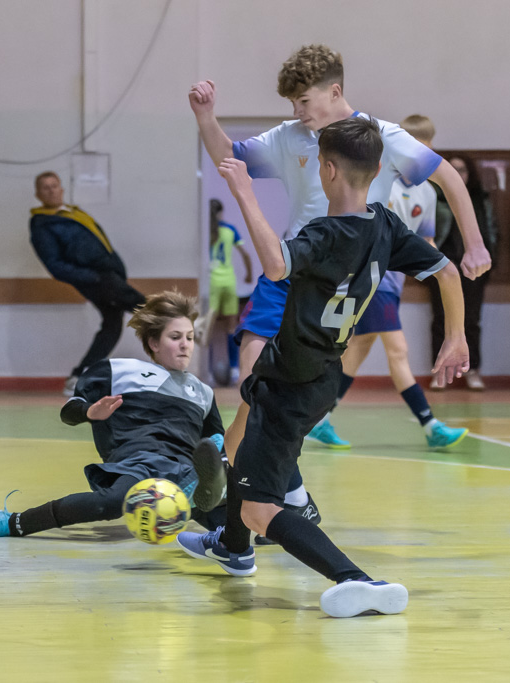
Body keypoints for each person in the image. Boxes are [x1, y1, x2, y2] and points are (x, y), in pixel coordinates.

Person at [176, 117, 470, 618]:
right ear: (376, 170)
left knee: (259, 508)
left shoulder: (326, 232)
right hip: (320, 373)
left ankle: (356, 579)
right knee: (242, 447)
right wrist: (455, 336)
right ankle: (233, 547)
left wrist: (244, 192)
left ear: (327, 170)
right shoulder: (385, 224)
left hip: (291, 379)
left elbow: (276, 265)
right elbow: (446, 271)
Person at [188, 44, 489, 464]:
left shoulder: (380, 136)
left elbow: (449, 178)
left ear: (334, 91)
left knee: (287, 398)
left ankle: (253, 475)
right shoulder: (289, 136)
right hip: (290, 268)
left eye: (303, 101)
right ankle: (232, 476)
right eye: (292, 104)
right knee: (253, 386)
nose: (297, 111)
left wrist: (475, 244)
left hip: (343, 284)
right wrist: (206, 117)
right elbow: (228, 158)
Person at [0, 291, 228, 539]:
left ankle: (209, 498)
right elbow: (69, 413)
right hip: (139, 463)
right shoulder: (118, 371)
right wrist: (91, 412)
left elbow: (216, 446)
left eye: (190, 337)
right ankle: (13, 522)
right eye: (175, 337)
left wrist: (223, 462)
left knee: (228, 524)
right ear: (154, 343)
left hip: (183, 465)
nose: (185, 345)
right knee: (112, 503)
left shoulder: (203, 392)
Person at [332, 114, 467, 449]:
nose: (419, 159)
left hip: (393, 283)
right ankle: (430, 425)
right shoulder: (380, 180)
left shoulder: (428, 192)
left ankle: (318, 418)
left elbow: (427, 241)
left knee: (357, 350)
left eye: (427, 152)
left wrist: (441, 271)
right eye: (415, 149)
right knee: (398, 350)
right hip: (369, 276)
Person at [29, 171, 145, 397]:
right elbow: (55, 265)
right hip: (96, 278)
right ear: (38, 194)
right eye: (45, 188)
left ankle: (79, 376)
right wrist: (93, 277)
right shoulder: (42, 225)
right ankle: (183, 321)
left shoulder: (72, 212)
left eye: (54, 186)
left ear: (61, 189)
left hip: (108, 273)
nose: (51, 191)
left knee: (112, 325)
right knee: (137, 302)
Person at [428, 155, 497, 390]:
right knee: (441, 319)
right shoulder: (436, 198)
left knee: (471, 320)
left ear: (470, 174)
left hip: (473, 269)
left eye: (462, 170)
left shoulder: (480, 199)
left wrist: (489, 260)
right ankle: (439, 371)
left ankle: (473, 370)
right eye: (453, 169)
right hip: (442, 266)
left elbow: (492, 231)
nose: (458, 174)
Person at [207, 199, 253, 386]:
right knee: (231, 327)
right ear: (220, 213)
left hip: (211, 282)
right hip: (228, 282)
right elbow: (246, 254)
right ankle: (234, 369)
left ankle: (208, 372)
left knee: (208, 328)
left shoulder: (205, 230)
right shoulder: (230, 229)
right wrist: (249, 274)